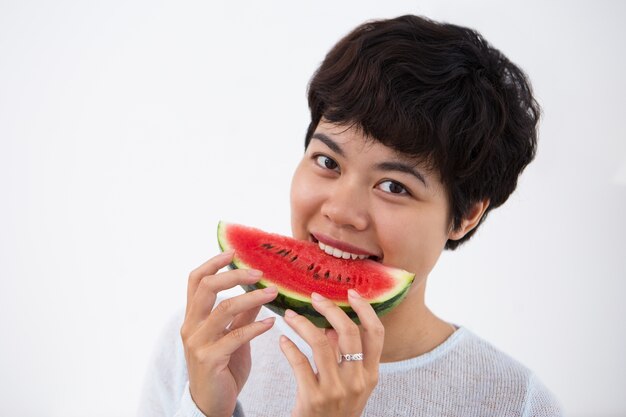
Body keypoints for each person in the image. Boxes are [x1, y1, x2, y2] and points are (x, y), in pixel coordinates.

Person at [138, 15, 562, 417]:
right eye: (327, 161)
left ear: (465, 215)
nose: (340, 211)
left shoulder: (513, 402)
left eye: (394, 186)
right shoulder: (207, 344)